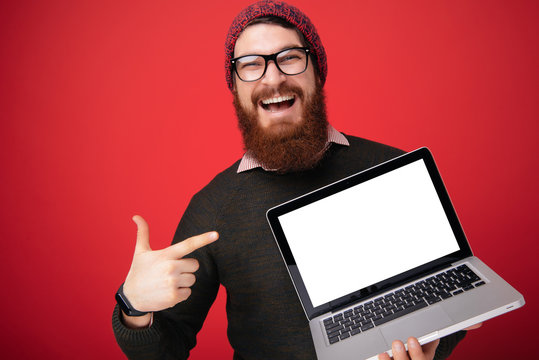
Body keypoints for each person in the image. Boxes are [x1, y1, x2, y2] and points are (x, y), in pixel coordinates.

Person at [112, 1, 480, 359]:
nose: (273, 78)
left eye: (289, 57)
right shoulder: (213, 207)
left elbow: (449, 298)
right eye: (251, 65)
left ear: (316, 71)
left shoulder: (393, 168)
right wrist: (133, 306)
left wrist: (430, 349)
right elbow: (166, 349)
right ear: (236, 90)